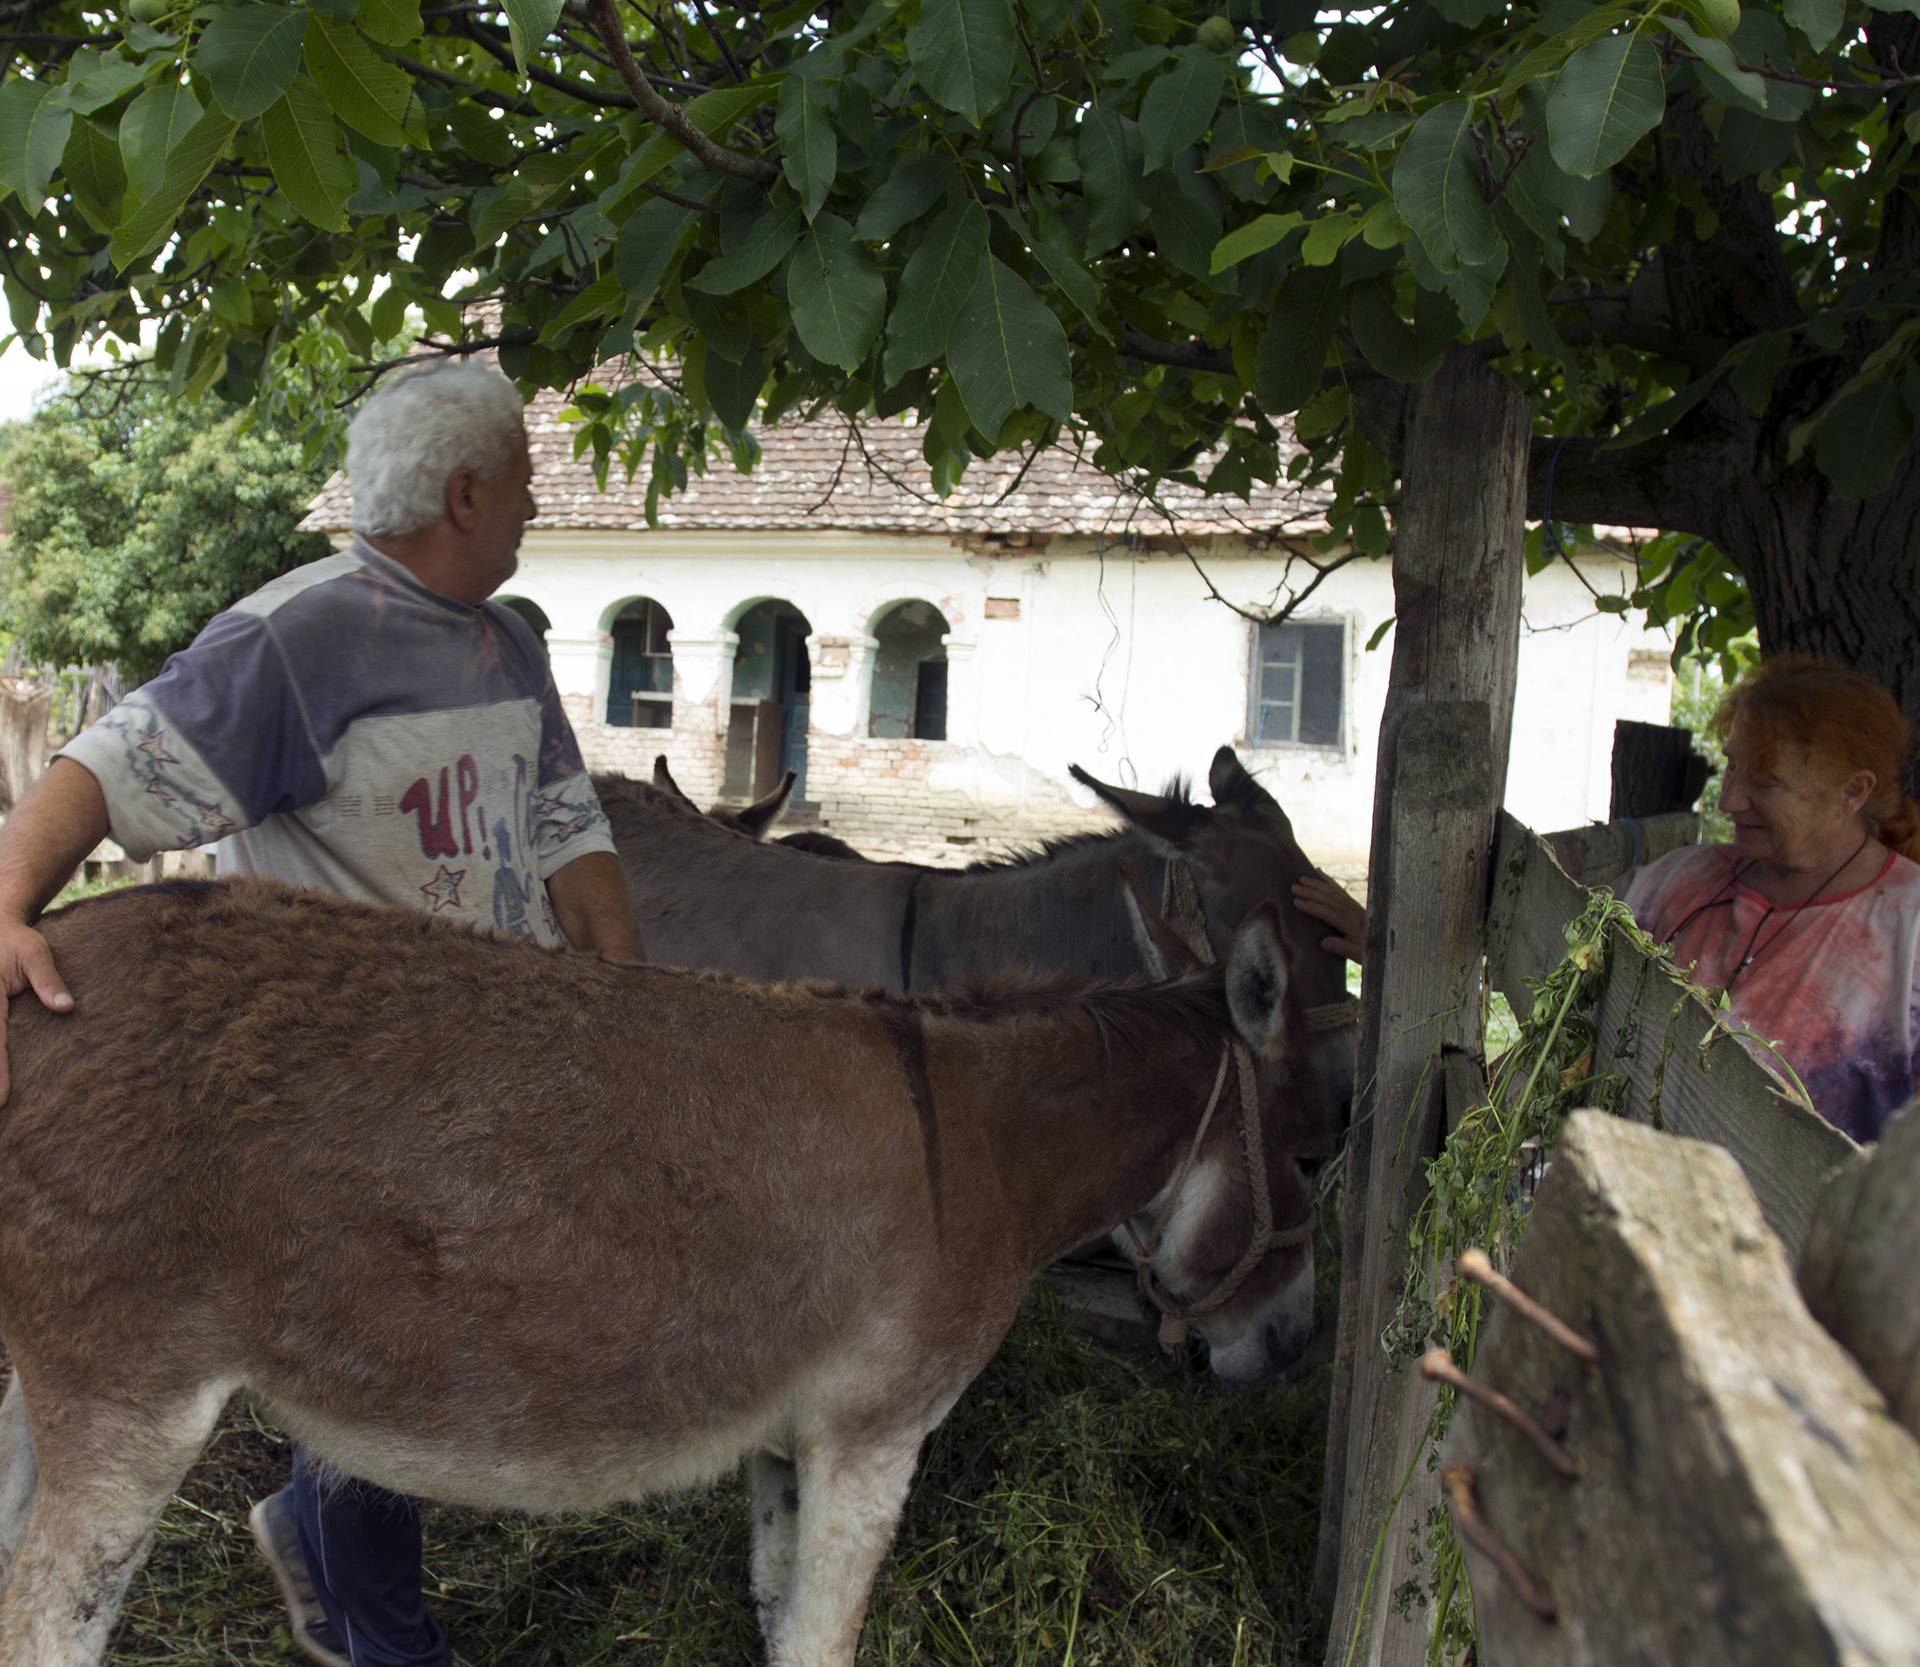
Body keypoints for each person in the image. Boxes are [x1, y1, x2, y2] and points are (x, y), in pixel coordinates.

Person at [0, 361, 644, 1667]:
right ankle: (384, 1629)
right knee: (386, 1342)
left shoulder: (508, 644)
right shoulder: (296, 640)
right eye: (522, 477)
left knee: (431, 1333)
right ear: (467, 493)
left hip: (492, 1069)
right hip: (337, 1083)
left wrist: (629, 992)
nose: (535, 501)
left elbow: (566, 820)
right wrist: (9, 904)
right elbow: (100, 768)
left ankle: (311, 1522)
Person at [1621, 655, 1920, 1144]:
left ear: (1853, 792)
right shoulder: (1674, 884)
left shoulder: (1909, 934)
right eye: (1732, 767)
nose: (1728, 801)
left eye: (1765, 782)